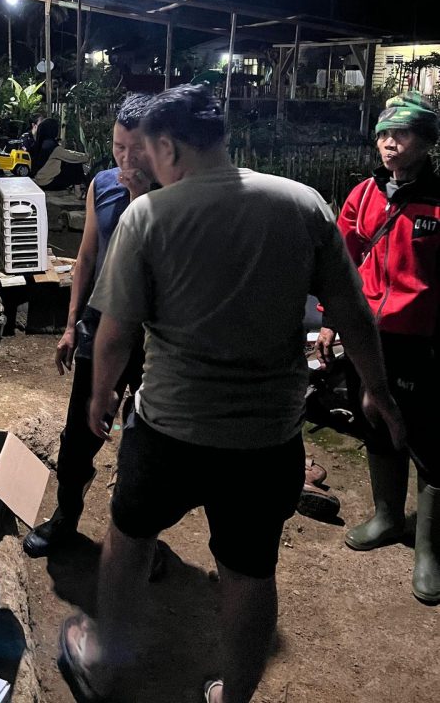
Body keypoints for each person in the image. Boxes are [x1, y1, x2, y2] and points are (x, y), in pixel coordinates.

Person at [57, 85, 404, 703]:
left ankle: (106, 666)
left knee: (128, 539)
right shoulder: (301, 203)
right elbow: (353, 312)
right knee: (249, 570)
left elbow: (115, 331)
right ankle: (234, 694)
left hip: (170, 429)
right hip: (266, 438)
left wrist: (100, 394)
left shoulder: (149, 216)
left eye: (150, 151)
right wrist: (377, 391)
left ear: (168, 147)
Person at [316, 90, 440, 605]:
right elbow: (341, 264)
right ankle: (388, 515)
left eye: (401, 135)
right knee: (373, 419)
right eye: (384, 135)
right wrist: (330, 321)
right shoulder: (363, 196)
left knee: (428, 437)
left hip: (423, 339)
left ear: (426, 141)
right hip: (367, 332)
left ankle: (429, 548)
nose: (389, 144)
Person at [24, 94, 154, 559]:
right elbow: (86, 257)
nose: (126, 159)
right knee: (79, 432)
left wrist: (140, 196)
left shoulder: (175, 195)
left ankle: (139, 540)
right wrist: (70, 324)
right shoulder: (102, 184)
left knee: (146, 438)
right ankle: (66, 515)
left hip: (154, 335)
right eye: (119, 147)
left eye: (137, 149)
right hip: (100, 325)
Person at [31, 118, 88, 192]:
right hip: (48, 182)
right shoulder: (52, 146)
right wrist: (87, 157)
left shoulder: (41, 143)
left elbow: (65, 152)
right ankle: (78, 192)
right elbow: (71, 157)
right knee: (76, 164)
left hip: (39, 180)